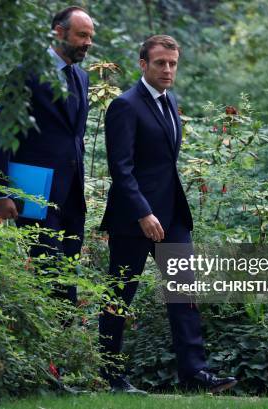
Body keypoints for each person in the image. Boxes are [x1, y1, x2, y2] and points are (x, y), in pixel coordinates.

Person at [98, 35, 237, 394]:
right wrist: (143, 212)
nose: (168, 69)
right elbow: (121, 168)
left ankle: (195, 375)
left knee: (184, 293)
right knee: (120, 295)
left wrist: (163, 211)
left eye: (173, 63)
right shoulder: (125, 106)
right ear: (143, 64)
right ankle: (109, 375)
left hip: (172, 216)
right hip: (133, 218)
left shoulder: (169, 101)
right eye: (160, 63)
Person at [0, 5, 93, 388]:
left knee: (66, 279)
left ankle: (59, 368)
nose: (87, 43)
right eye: (81, 35)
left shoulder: (81, 77)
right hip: (33, 195)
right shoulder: (25, 73)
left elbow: (72, 138)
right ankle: (44, 369)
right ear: (58, 33)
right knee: (48, 276)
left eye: (90, 36)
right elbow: (0, 134)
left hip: (71, 198)